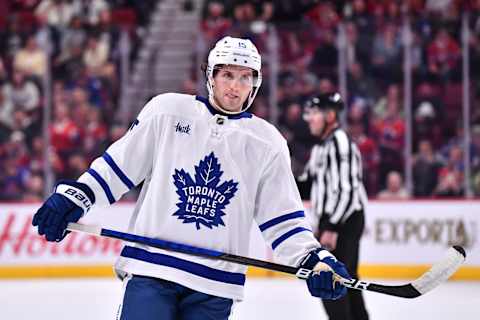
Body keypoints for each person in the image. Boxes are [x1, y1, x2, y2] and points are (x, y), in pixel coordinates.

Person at [32, 36, 350, 320]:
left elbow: (283, 221)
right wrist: (77, 196)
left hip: (215, 286)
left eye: (244, 77)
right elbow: (118, 168)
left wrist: (315, 257)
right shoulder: (166, 112)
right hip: (151, 269)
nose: (235, 86)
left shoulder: (267, 142)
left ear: (256, 82)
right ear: (210, 76)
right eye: (227, 74)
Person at [300, 92, 369, 320]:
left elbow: (347, 190)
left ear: (330, 116)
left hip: (344, 221)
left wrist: (331, 227)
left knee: (330, 282)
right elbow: (307, 183)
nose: (308, 118)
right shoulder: (321, 147)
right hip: (335, 221)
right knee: (347, 281)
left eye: (314, 113)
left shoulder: (340, 143)